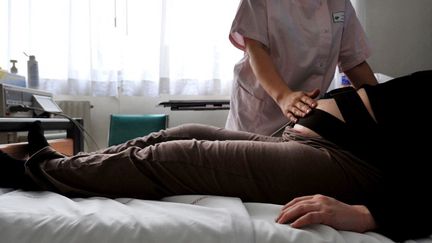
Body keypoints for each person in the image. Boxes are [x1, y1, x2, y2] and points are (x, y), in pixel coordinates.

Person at [1, 70, 431, 242]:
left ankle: (31, 173)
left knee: (176, 157)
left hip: (356, 166)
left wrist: (369, 215)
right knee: (180, 134)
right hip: (322, 139)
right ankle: (56, 163)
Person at [225, 0, 378, 136]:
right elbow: (256, 50)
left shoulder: (340, 3)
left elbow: (354, 63)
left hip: (306, 117)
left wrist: (383, 107)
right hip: (260, 115)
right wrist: (284, 96)